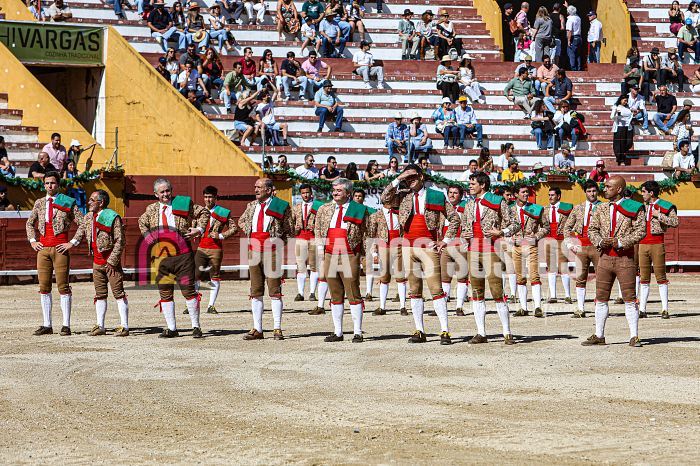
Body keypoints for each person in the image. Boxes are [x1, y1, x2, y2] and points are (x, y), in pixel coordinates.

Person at [381, 165, 460, 345]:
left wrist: (445, 240)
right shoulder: (402, 195)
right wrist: (399, 178)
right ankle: (420, 330)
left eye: (413, 177)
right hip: (408, 247)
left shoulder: (436, 195)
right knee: (414, 290)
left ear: (422, 176)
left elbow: (454, 218)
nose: (410, 180)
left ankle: (445, 331)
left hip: (428, 247)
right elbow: (384, 198)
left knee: (436, 289)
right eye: (407, 178)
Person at [138, 178, 208, 338]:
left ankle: (196, 326)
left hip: (183, 255)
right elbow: (141, 222)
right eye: (162, 192)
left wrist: (199, 229)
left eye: (168, 190)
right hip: (161, 257)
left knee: (189, 290)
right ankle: (172, 328)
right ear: (156, 194)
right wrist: (148, 237)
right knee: (165, 292)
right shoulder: (151, 209)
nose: (166, 194)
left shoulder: (181, 203)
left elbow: (203, 212)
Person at [582, 176, 646, 347]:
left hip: (625, 258)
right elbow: (592, 229)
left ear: (619, 189)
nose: (604, 189)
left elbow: (641, 231)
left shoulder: (634, 207)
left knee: (630, 298)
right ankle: (599, 335)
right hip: (604, 258)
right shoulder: (601, 208)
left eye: (608, 187)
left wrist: (620, 242)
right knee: (601, 297)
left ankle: (634, 336)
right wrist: (600, 241)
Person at [460, 172, 519, 345]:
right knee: (477, 292)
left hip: (491, 250)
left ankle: (507, 332)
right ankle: (481, 333)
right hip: (473, 250)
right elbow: (464, 228)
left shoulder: (497, 201)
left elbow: (515, 223)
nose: (470, 186)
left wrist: (502, 232)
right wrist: (464, 235)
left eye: (473, 183)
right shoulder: (469, 204)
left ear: (483, 185)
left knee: (497, 291)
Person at [26, 171, 83, 336]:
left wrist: (72, 242)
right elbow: (29, 223)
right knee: (44, 287)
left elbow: (83, 223)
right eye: (47, 183)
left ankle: (66, 325)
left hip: (60, 249)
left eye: (52, 183)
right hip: (43, 249)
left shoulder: (67, 201)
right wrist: (33, 241)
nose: (49, 186)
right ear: (44, 184)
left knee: (63, 286)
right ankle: (47, 324)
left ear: (58, 184)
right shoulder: (39, 203)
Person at [64, 190, 128, 336]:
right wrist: (71, 243)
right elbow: (80, 232)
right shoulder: (88, 217)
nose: (89, 202)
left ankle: (124, 326)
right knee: (100, 294)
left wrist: (112, 261)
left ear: (101, 202)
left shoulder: (112, 217)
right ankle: (100, 326)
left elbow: (120, 240)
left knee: (118, 293)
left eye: (92, 200)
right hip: (97, 262)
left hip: (110, 261)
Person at [314, 179, 369, 342]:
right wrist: (320, 249)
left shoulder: (358, 209)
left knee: (353, 292)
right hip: (330, 254)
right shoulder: (324, 209)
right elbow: (318, 229)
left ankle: (357, 332)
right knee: (335, 293)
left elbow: (366, 232)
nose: (335, 192)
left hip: (349, 254)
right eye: (334, 190)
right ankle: (338, 332)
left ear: (348, 193)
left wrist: (365, 254)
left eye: (339, 190)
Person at [237, 178, 292, 340]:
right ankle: (257, 329)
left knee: (275, 291)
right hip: (253, 250)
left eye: (259, 187)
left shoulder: (280, 205)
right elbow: (241, 221)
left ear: (268, 190)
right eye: (255, 187)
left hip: (272, 251)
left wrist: (278, 243)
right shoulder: (251, 205)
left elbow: (289, 229)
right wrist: (250, 231)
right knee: (256, 291)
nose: (256, 190)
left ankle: (277, 328)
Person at [188, 186, 239, 316]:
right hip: (201, 247)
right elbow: (193, 224)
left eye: (210, 197)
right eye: (205, 197)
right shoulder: (199, 211)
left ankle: (211, 305)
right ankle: (193, 303)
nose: (208, 199)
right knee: (195, 276)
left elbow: (234, 228)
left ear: (216, 198)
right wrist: (193, 232)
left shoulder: (223, 212)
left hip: (216, 248)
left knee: (214, 276)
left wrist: (221, 236)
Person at [637, 181, 678, 320]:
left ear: (651, 193)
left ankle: (665, 309)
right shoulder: (642, 207)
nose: (642, 194)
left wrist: (658, 215)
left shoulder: (664, 205)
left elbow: (675, 222)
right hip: (642, 245)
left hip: (657, 244)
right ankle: (642, 309)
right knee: (644, 278)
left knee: (661, 277)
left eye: (644, 192)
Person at [563, 180, 601, 317]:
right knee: (580, 278)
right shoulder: (578, 208)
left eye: (594, 191)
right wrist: (569, 244)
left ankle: (600, 306)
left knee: (601, 277)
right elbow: (567, 227)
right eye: (589, 191)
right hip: (581, 247)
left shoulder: (604, 207)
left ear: (597, 191)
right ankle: (580, 308)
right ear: (585, 192)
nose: (592, 193)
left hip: (598, 247)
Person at [510, 185, 549, 317]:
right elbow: (503, 227)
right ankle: (523, 307)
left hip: (531, 245)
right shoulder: (509, 210)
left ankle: (537, 307)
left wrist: (536, 236)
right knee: (520, 276)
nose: (526, 194)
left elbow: (546, 227)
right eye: (523, 192)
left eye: (527, 192)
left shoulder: (536, 208)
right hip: (516, 246)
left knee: (534, 275)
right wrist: (509, 237)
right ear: (516, 194)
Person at [368, 197, 407, 315]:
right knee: (384, 277)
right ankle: (382, 306)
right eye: (390, 200)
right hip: (383, 247)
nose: (393, 202)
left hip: (398, 246)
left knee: (400, 276)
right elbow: (371, 235)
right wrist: (374, 252)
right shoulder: (376, 215)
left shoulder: (400, 214)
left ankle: (403, 306)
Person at [439, 185, 470, 315]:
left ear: (461, 195)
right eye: (450, 192)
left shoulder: (466, 207)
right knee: (444, 277)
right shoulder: (442, 208)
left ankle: (459, 306)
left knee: (462, 277)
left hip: (460, 244)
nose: (452, 195)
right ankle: (443, 306)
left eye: (455, 193)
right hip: (445, 245)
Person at [540, 187, 573, 305]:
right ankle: (553, 295)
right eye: (549, 195)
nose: (550, 197)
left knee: (563, 267)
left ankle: (568, 296)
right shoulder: (544, 209)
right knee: (551, 267)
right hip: (549, 240)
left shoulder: (566, 208)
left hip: (561, 240)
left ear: (558, 196)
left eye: (552, 195)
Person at [292, 184, 321, 303]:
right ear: (300, 194)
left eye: (307, 192)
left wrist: (316, 228)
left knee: (314, 266)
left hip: (314, 238)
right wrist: (295, 228)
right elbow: (290, 222)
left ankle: (312, 293)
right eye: (303, 193)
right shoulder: (296, 207)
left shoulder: (318, 207)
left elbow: (323, 222)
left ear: (311, 193)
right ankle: (300, 293)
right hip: (300, 238)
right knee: (301, 266)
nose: (305, 195)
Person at [610, 94, 634, 165]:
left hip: (628, 127)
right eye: (624, 100)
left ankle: (623, 153)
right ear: (620, 100)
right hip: (620, 127)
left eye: (627, 101)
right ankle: (620, 159)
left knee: (629, 142)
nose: (626, 102)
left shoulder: (628, 107)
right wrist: (617, 115)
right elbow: (612, 116)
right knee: (619, 144)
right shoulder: (616, 107)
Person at [565, 5, 582, 71]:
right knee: (578, 54)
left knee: (571, 54)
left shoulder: (570, 20)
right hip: (579, 37)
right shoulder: (578, 18)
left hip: (573, 38)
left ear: (568, 12)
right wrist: (567, 7)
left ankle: (573, 69)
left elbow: (569, 31)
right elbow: (573, 12)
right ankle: (579, 69)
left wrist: (569, 40)